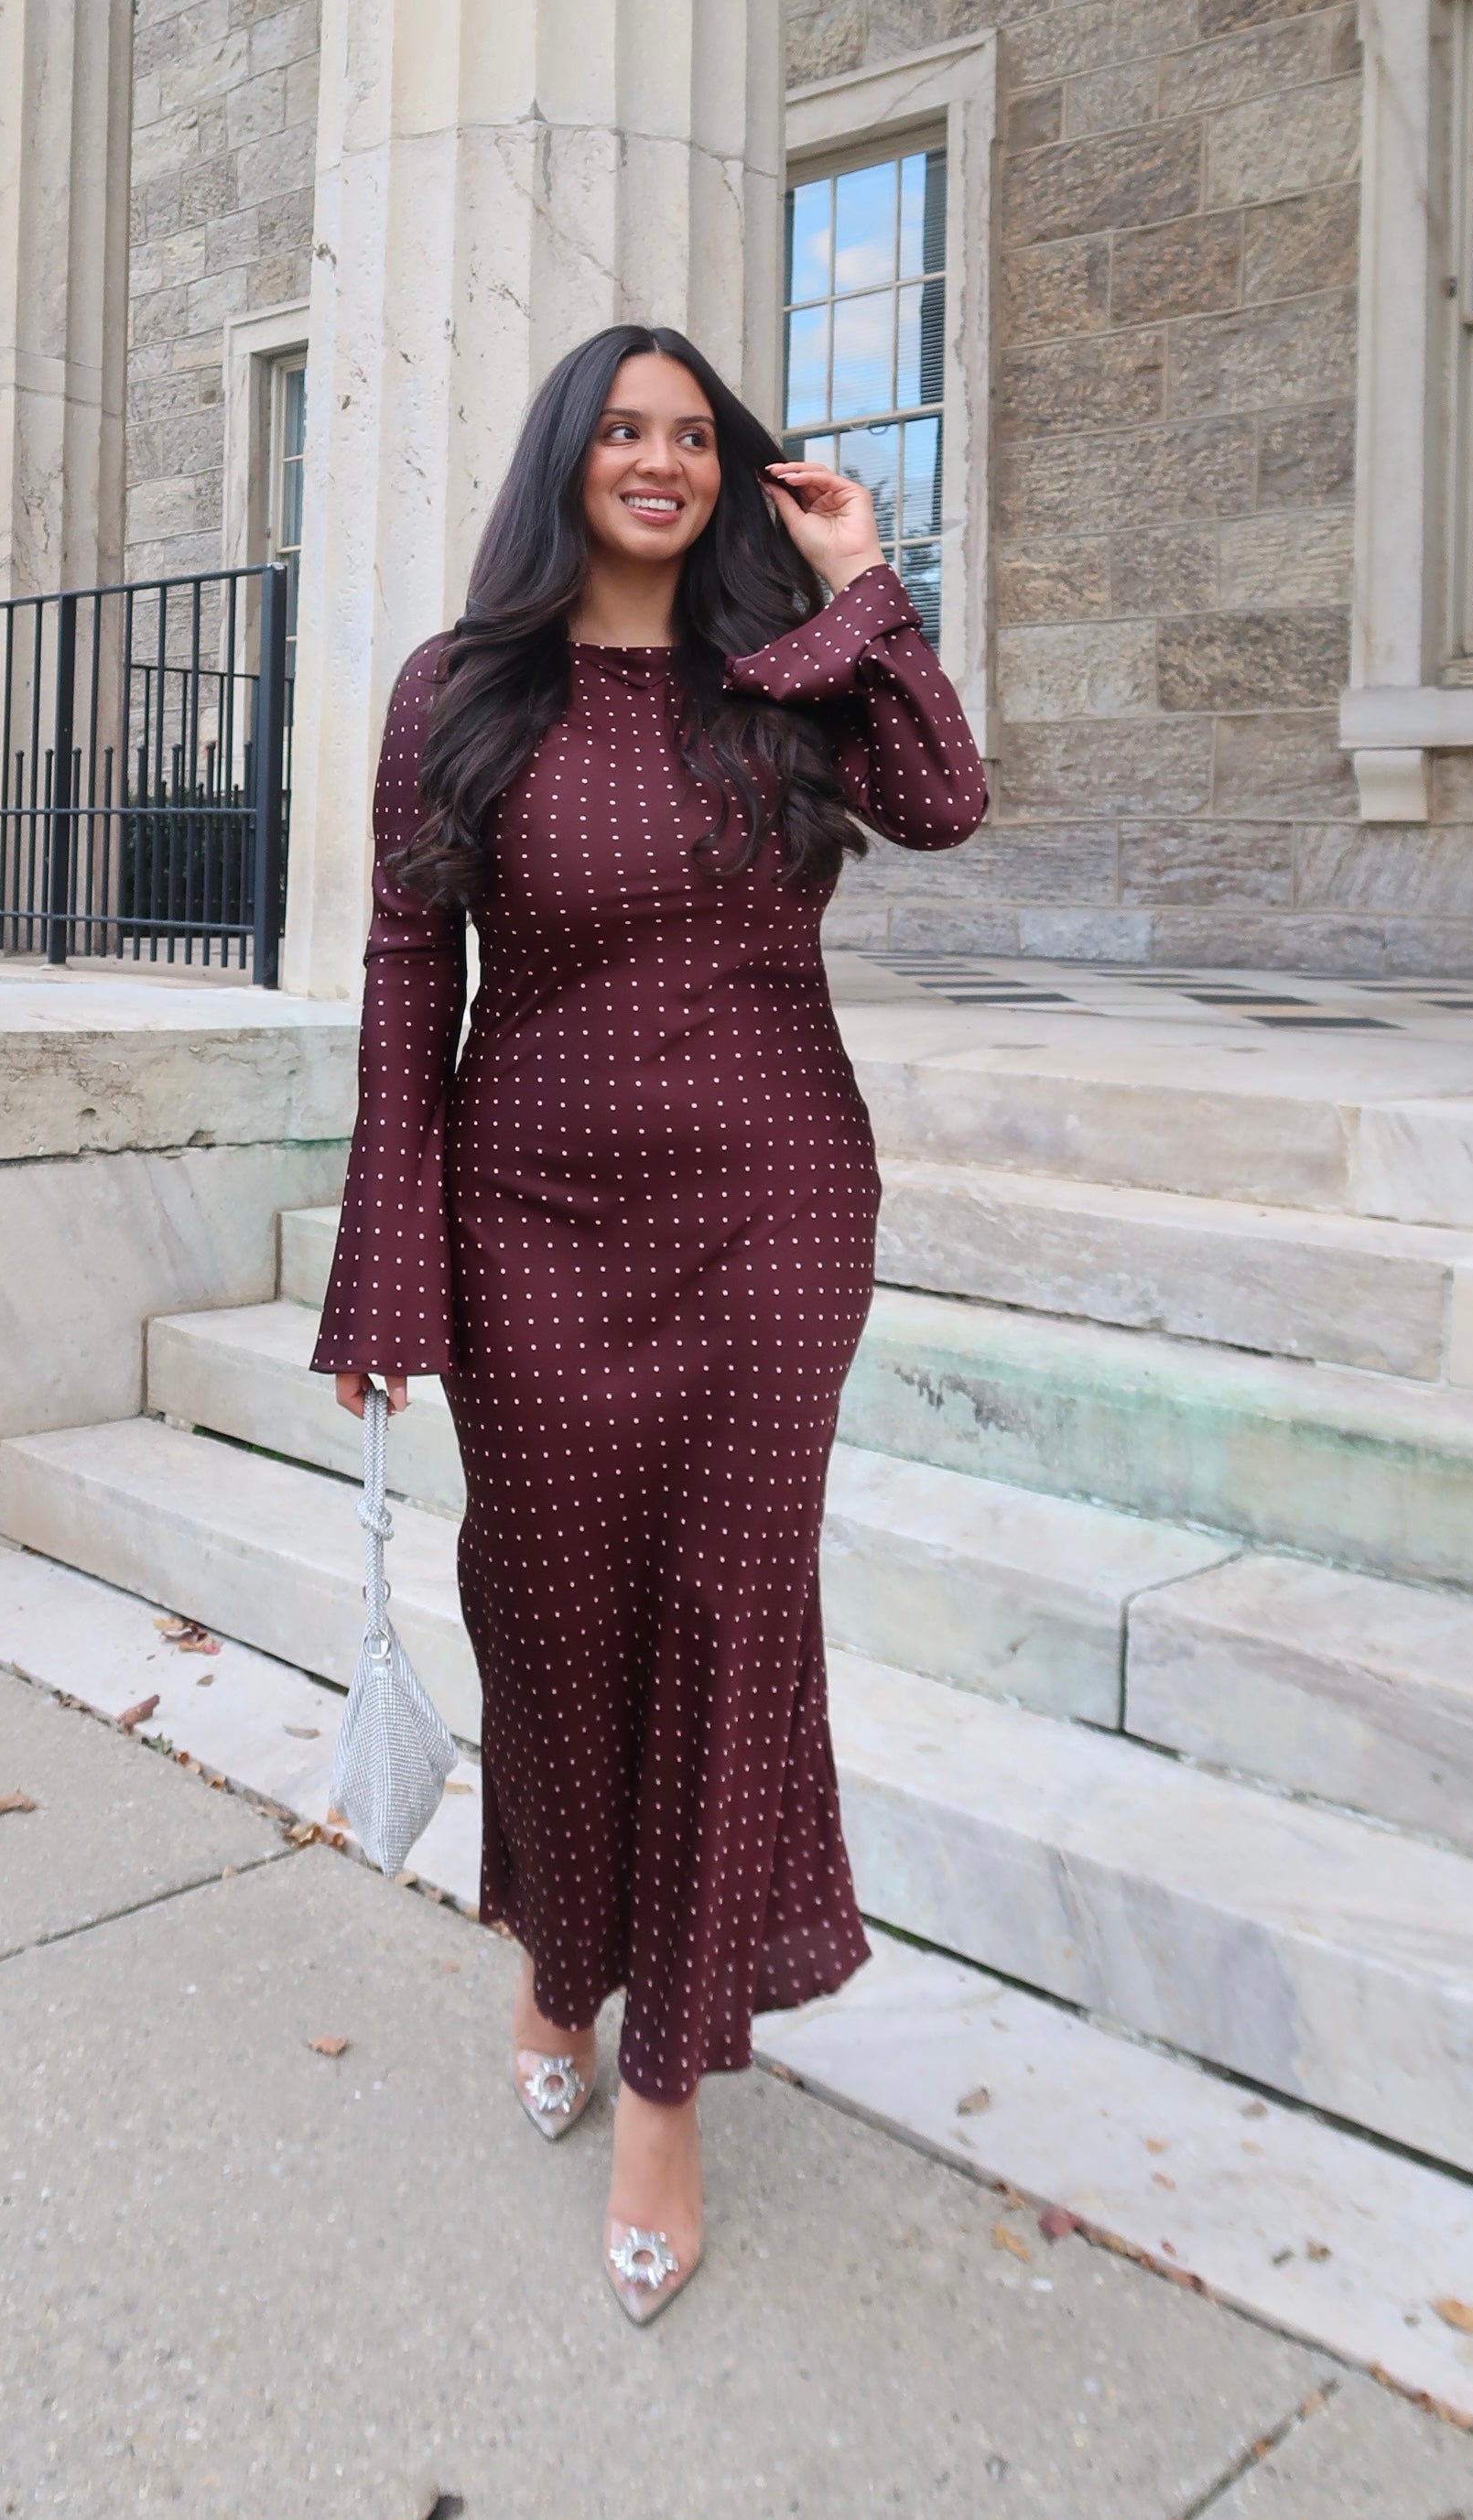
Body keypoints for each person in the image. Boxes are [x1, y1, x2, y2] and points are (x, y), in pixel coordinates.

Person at [310, 323, 987, 2323]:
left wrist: (864, 581)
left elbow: (947, 799)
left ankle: (669, 2083)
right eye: (623, 430)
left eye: (693, 435)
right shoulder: (458, 690)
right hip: (529, 1221)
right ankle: (555, 1950)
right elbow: (402, 981)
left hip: (773, 1215)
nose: (661, 461)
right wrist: (385, 1273)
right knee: (546, 1611)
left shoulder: (780, 672)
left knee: (724, 1620)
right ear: (567, 459)